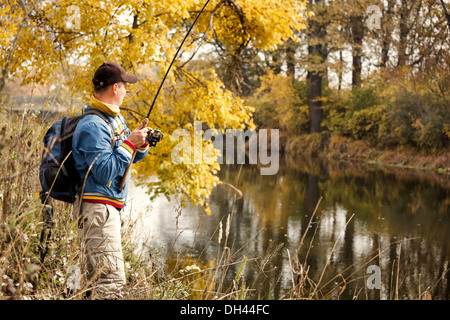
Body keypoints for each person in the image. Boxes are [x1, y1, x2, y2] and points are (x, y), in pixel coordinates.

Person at [72, 62, 150, 299]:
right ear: (115, 88)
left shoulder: (113, 120)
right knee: (110, 284)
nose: (127, 90)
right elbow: (105, 172)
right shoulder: (93, 125)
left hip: (104, 209)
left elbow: (124, 159)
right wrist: (129, 144)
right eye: (125, 86)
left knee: (93, 283)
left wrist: (141, 144)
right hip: (98, 211)